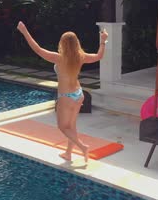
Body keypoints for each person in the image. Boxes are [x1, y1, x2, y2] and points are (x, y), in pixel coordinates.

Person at [16, 21, 108, 163]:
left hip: (66, 97)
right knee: (71, 126)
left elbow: (38, 49)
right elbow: (98, 56)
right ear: (76, 43)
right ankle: (68, 153)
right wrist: (103, 41)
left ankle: (82, 147)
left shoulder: (58, 58)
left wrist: (24, 31)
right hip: (79, 94)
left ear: (62, 43)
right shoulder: (81, 56)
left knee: (62, 126)